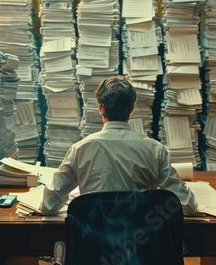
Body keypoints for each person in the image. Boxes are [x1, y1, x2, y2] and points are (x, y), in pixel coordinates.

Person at [39, 75, 198, 215]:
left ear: (100, 108)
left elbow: (48, 205)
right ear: (132, 108)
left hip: (95, 243)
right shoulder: (155, 150)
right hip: (139, 244)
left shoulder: (80, 149)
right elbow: (188, 205)